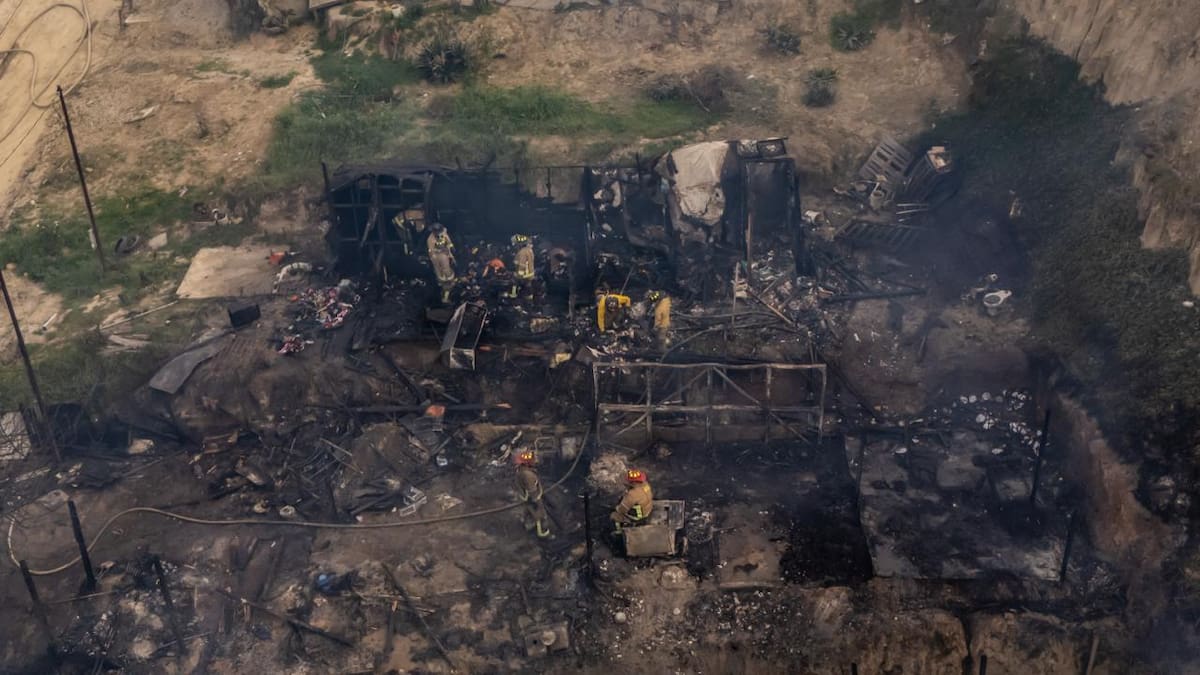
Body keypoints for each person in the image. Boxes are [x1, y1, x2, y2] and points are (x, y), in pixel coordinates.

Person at [514, 450, 551, 539]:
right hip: (532, 499)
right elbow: (532, 491)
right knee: (540, 516)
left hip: (526, 498)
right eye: (533, 459)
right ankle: (543, 535)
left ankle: (529, 526)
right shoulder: (528, 475)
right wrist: (538, 503)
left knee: (529, 512)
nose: (535, 461)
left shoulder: (521, 471)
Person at [611, 468, 653, 533]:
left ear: (633, 482)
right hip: (648, 511)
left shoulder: (632, 495)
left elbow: (622, 510)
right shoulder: (646, 485)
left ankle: (619, 531)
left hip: (638, 518)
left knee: (614, 515)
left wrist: (617, 508)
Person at [427, 223, 456, 303]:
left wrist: (451, 247)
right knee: (439, 270)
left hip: (445, 254)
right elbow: (431, 250)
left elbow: (448, 241)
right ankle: (443, 285)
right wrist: (436, 255)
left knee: (447, 268)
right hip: (437, 256)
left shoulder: (443, 233)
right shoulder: (430, 239)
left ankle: (450, 281)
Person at [511, 234, 536, 299]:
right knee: (528, 287)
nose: (514, 246)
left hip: (524, 274)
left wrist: (519, 275)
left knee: (513, 282)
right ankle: (529, 297)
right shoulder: (529, 250)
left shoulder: (522, 252)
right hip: (530, 274)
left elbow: (522, 265)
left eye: (515, 244)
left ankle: (513, 295)